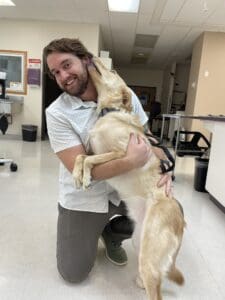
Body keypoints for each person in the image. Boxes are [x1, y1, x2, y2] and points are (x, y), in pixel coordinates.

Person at [43, 38, 171, 283]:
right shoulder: (57, 113)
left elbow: (149, 137)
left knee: (167, 209)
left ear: (86, 60)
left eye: (67, 65)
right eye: (56, 72)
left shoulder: (124, 94)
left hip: (125, 189)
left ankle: (113, 234)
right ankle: (87, 228)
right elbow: (79, 170)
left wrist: (166, 168)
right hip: (85, 197)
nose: (63, 76)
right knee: (73, 273)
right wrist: (131, 160)